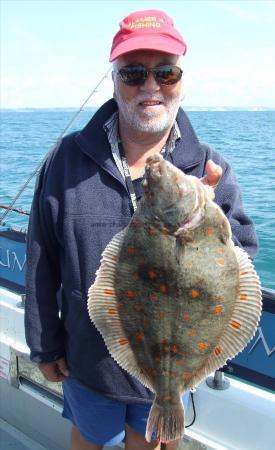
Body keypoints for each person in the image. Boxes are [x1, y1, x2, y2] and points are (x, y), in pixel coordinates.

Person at [25, 9, 258, 450]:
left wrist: (213, 224)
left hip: (173, 365)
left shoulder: (212, 171)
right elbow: (43, 254)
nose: (150, 86)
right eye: (133, 73)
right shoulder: (66, 160)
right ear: (113, 80)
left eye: (166, 73)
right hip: (87, 363)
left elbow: (243, 255)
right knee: (90, 439)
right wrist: (43, 344)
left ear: (181, 80)